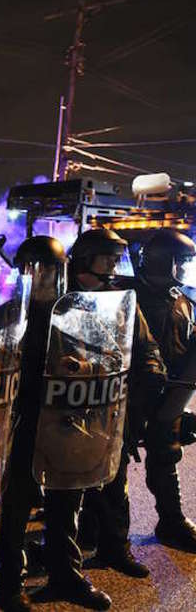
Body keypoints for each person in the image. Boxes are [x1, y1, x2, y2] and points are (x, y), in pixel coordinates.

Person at [0, 236, 111, 611]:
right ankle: (11, 584)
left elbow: (110, 356)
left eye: (52, 272)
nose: (45, 279)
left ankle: (67, 574)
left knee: (67, 500)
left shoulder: (79, 313)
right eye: (37, 271)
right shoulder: (9, 315)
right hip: (24, 422)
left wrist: (82, 368)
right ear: (24, 275)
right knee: (16, 508)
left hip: (67, 420)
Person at [71, 228, 166, 579]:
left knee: (115, 482)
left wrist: (153, 370)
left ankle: (117, 549)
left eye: (116, 256)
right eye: (107, 256)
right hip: (70, 410)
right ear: (87, 259)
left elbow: (146, 344)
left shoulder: (123, 299)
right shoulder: (62, 298)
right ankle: (64, 561)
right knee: (67, 491)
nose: (114, 263)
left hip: (112, 407)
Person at [134, 229, 196, 551]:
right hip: (134, 393)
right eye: (182, 261)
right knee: (110, 466)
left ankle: (171, 521)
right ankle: (94, 529)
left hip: (170, 390)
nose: (187, 268)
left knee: (166, 454)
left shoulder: (181, 298)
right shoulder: (131, 297)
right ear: (164, 262)